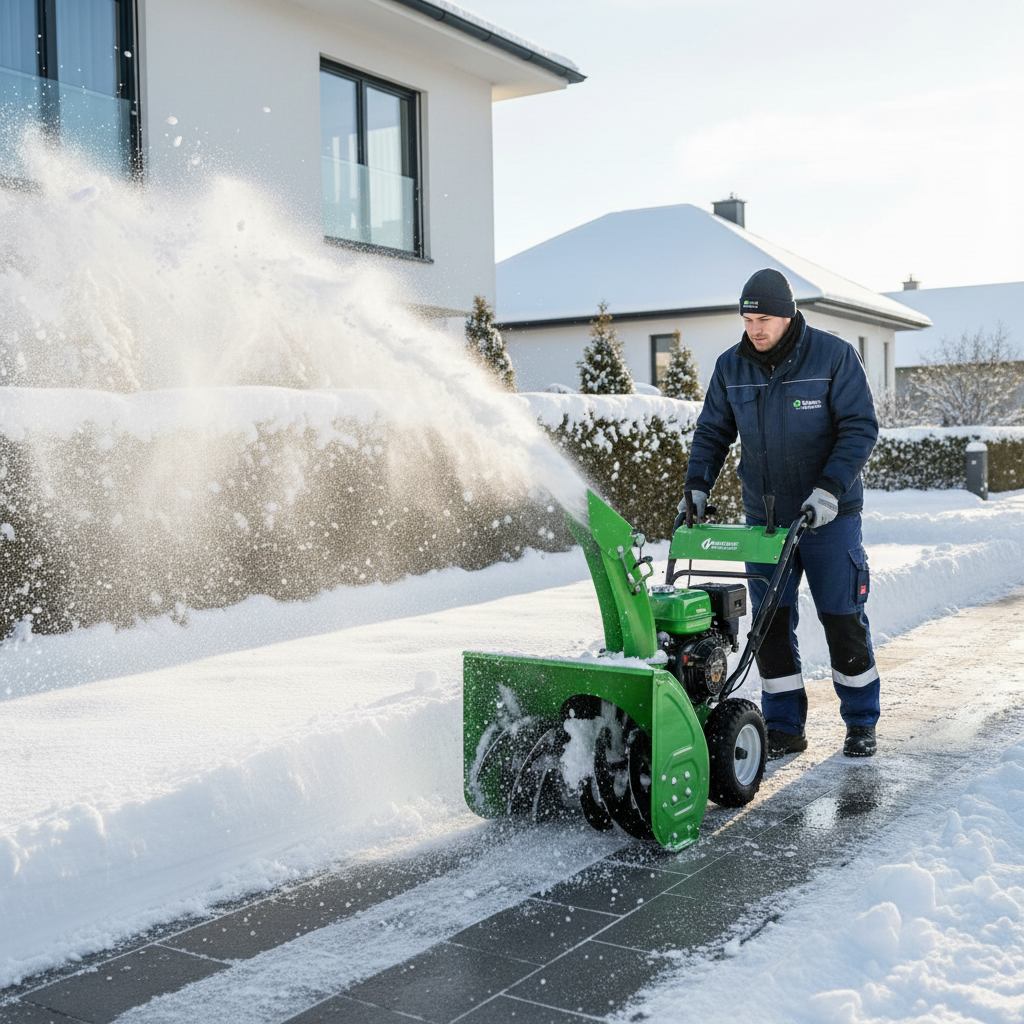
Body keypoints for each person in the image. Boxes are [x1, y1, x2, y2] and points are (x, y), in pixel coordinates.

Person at [681, 268, 880, 758]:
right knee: (769, 624)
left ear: (788, 316)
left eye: (764, 318)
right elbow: (712, 432)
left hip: (829, 517)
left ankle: (860, 722)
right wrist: (697, 485)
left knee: (843, 619)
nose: (755, 328)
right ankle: (784, 727)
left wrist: (830, 489)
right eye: (748, 318)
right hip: (766, 523)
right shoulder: (732, 368)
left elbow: (860, 427)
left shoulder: (833, 357)